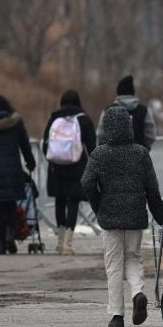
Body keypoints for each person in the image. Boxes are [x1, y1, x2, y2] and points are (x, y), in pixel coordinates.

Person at [81, 106, 163, 327]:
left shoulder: (99, 154)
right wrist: (160, 215)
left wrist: (99, 206)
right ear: (129, 127)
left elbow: (87, 182)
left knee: (114, 265)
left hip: (110, 217)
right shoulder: (140, 153)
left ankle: (117, 315)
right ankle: (137, 292)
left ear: (107, 129)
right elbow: (152, 190)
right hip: (136, 215)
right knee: (133, 258)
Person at [42, 89, 96, 255]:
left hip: (56, 167)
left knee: (60, 201)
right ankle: (68, 244)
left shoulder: (54, 118)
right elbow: (92, 146)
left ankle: (59, 241)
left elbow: (46, 144)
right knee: (72, 202)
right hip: (76, 167)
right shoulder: (84, 119)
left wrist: (53, 159)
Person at [0, 95, 36, 255]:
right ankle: (10, 235)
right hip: (12, 168)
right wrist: (30, 162)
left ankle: (0, 243)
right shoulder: (15, 122)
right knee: (11, 205)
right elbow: (24, 144)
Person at [96, 75, 156, 150]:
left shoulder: (108, 110)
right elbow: (150, 135)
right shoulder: (144, 110)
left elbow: (101, 135)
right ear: (132, 92)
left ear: (118, 92)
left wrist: (104, 151)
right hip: (139, 157)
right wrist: (145, 149)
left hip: (112, 157)